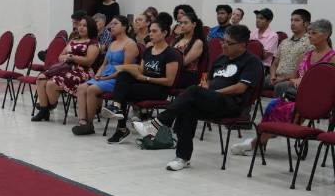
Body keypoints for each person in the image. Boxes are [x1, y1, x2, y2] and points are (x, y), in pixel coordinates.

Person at [132, 25, 263, 171]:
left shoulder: (252, 62)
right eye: (223, 41)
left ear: (243, 44)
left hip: (232, 104)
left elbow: (241, 88)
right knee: (188, 107)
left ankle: (157, 123)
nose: (224, 45)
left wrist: (216, 92)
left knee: (193, 91)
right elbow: (210, 80)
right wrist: (206, 87)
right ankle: (182, 157)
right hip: (212, 100)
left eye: (229, 43)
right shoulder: (221, 58)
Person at [231, 19, 335, 155]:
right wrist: (296, 80)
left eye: (313, 33)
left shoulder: (332, 58)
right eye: (309, 33)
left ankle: (255, 143)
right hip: (296, 94)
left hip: (317, 100)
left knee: (284, 109)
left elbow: (328, 85)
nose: (309, 36)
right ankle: (260, 142)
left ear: (326, 35)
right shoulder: (306, 55)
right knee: (274, 105)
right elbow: (293, 76)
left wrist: (305, 82)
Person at [100, 15, 179, 144]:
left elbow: (169, 81)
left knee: (123, 91)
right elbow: (141, 70)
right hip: (144, 83)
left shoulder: (171, 54)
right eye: (150, 31)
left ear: (164, 33)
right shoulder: (148, 50)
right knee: (123, 76)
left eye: (154, 31)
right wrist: (128, 69)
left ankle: (121, 127)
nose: (151, 34)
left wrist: (146, 78)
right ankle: (117, 109)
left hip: (159, 89)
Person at [72, 16, 139, 135]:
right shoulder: (113, 43)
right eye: (111, 24)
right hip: (105, 76)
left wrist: (105, 78)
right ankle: (82, 121)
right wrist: (97, 75)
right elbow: (104, 64)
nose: (111, 26)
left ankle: (89, 124)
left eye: (115, 24)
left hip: (118, 79)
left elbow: (125, 70)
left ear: (124, 27)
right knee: (82, 87)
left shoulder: (130, 44)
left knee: (91, 89)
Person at [31, 20, 99, 121]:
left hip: (81, 71)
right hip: (64, 68)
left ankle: (47, 107)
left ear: (91, 28)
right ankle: (43, 111)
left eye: (85, 25)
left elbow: (89, 61)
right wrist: (66, 58)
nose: (81, 27)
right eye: (80, 25)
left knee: (51, 84)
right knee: (40, 79)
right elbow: (60, 57)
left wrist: (72, 57)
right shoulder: (73, 40)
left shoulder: (93, 43)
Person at [266, 8, 313, 97]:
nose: (292, 23)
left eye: (297, 20)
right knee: (255, 80)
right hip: (276, 76)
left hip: (292, 79)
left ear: (306, 24)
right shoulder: (285, 42)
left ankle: (277, 110)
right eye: (291, 20)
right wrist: (272, 76)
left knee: (280, 87)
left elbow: (302, 70)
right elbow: (274, 64)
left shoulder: (310, 43)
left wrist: (282, 79)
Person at [171, 12, 206, 88]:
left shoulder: (198, 42)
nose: (182, 25)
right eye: (180, 23)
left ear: (194, 24)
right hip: (174, 72)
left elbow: (184, 62)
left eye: (185, 23)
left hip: (188, 75)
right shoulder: (176, 40)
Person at [250, 8, 279, 72]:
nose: (257, 20)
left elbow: (263, 56)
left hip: (263, 66)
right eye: (257, 18)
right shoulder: (253, 33)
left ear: (269, 21)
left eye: (261, 18)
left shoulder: (273, 36)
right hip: (249, 63)